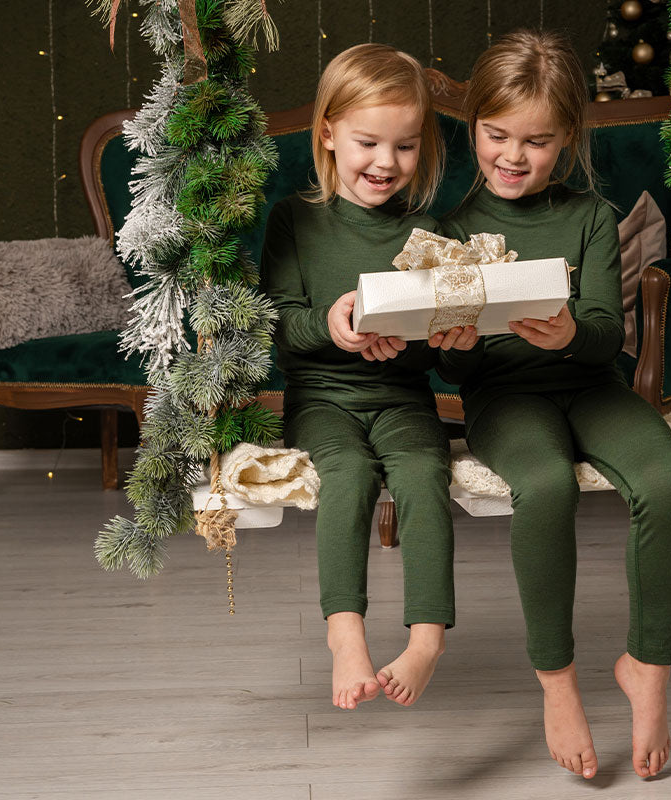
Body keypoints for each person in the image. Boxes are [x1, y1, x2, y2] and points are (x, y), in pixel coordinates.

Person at [439, 30, 671, 779]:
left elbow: (610, 333)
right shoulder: (452, 231)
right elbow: (453, 370)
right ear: (474, 128)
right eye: (497, 135)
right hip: (503, 398)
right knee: (545, 485)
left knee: (668, 480)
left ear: (567, 140)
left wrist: (567, 333)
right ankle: (557, 685)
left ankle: (648, 669)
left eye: (537, 141)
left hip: (589, 385)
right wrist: (452, 343)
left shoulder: (587, 215)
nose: (513, 156)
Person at [261, 43, 476, 711]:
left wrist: (433, 339)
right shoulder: (296, 221)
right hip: (322, 398)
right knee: (349, 475)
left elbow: (441, 360)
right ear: (327, 133)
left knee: (421, 471)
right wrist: (331, 324)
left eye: (406, 146)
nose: (386, 162)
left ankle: (427, 637)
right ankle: (344, 631)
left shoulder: (429, 232)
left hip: (404, 398)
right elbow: (278, 329)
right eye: (367, 142)